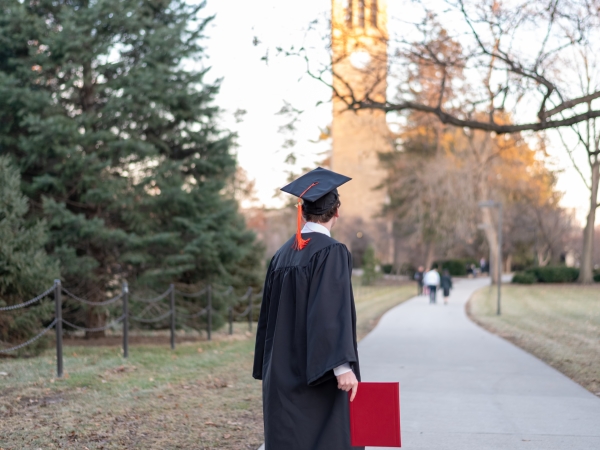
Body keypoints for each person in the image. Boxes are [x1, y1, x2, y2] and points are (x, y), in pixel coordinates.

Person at [253, 167, 362, 450]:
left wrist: (267, 366)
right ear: (336, 212)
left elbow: (267, 319)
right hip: (317, 372)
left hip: (281, 371)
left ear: (302, 210)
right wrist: (341, 367)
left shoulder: (282, 254)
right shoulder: (330, 251)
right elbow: (328, 309)